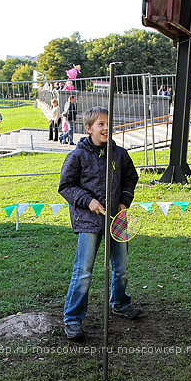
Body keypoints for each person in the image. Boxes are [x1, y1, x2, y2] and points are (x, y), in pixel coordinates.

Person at [58, 106, 142, 340]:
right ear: (89, 129)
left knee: (121, 267)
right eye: (101, 124)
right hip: (87, 220)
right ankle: (73, 318)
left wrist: (124, 202)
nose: (106, 128)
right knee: (83, 271)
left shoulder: (120, 154)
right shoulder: (77, 155)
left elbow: (130, 179)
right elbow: (66, 187)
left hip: (116, 219)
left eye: (109, 123)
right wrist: (89, 201)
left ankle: (120, 302)